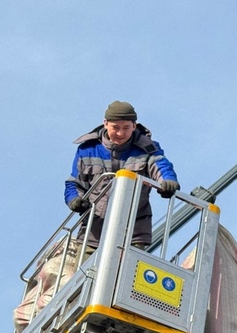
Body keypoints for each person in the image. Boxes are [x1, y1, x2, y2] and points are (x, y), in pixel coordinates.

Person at [64, 100, 180, 250]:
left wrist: (168, 181)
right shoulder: (88, 150)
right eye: (116, 127)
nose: (120, 133)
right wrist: (74, 200)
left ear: (134, 126)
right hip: (94, 233)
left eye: (126, 128)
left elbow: (160, 165)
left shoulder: (147, 148)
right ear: (105, 124)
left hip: (133, 231)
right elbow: (74, 183)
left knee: (130, 264)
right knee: (88, 265)